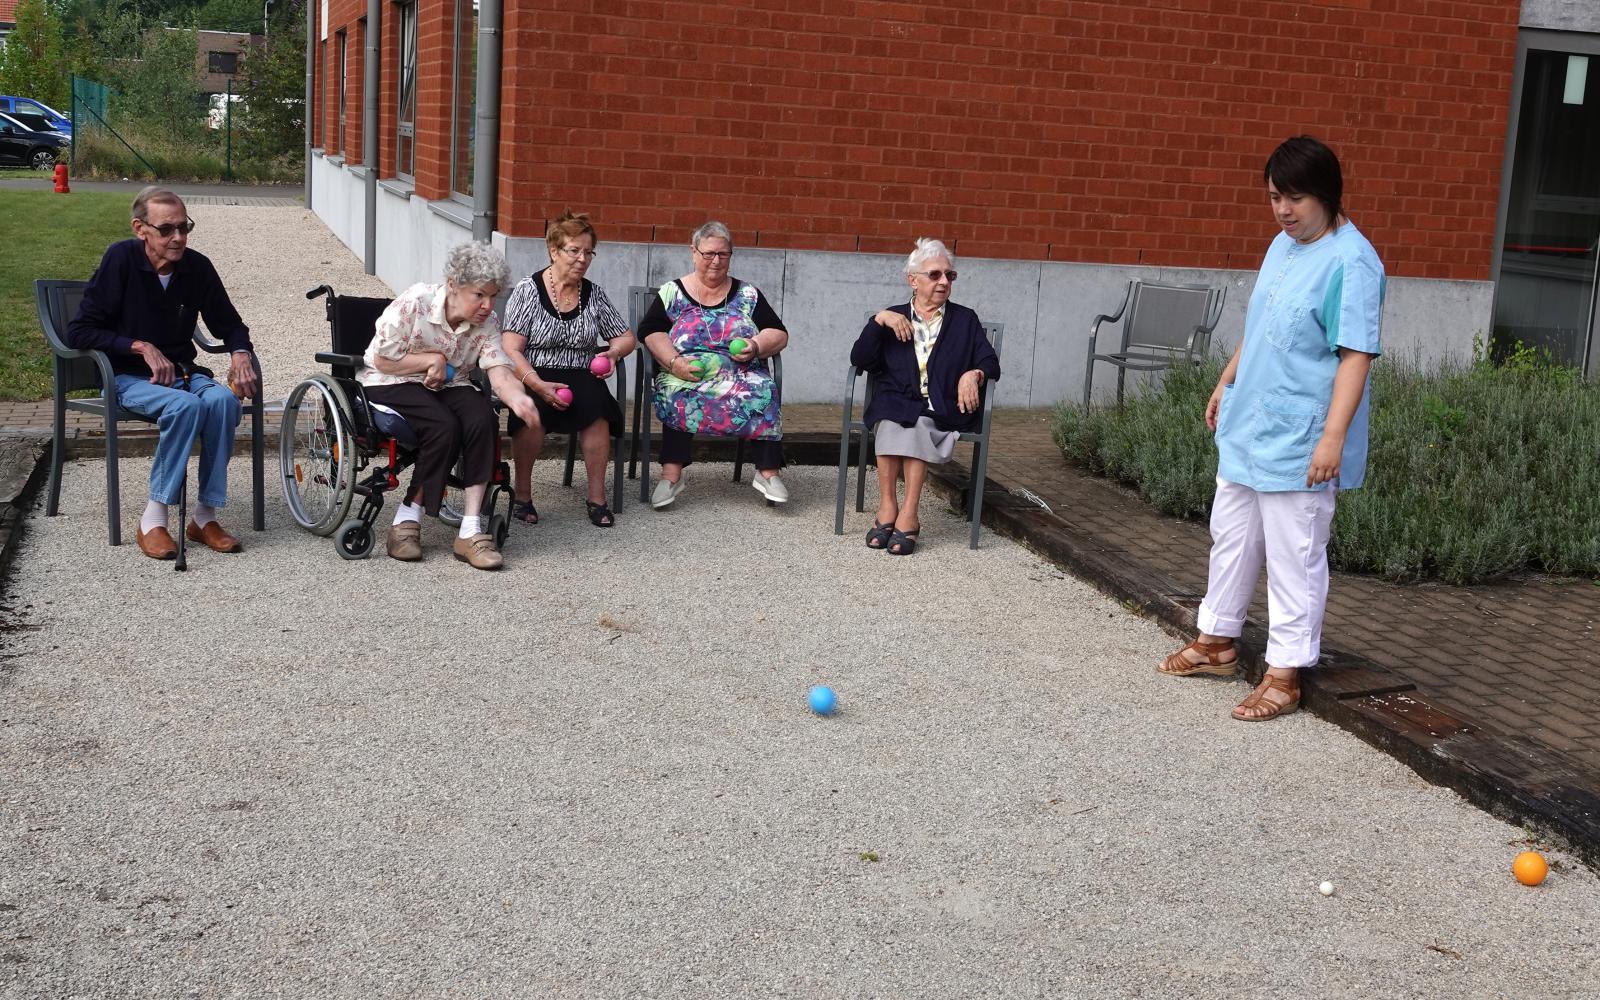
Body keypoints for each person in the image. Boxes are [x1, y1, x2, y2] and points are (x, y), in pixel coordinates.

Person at [1158, 135, 1384, 722]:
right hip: (1252, 419)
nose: (1283, 210)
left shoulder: (1352, 261)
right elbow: (1259, 325)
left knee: (1295, 552)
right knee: (1231, 534)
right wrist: (1226, 380)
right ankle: (1217, 640)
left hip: (1303, 432)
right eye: (1275, 198)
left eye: (1296, 198)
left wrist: (1332, 437)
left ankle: (1285, 673)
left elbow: (1355, 354)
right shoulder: (1282, 247)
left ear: (1328, 196)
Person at [67, 186, 259, 560]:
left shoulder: (196, 267)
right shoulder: (121, 259)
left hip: (185, 374)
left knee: (221, 401)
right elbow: (79, 331)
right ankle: (153, 520)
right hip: (126, 378)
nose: (178, 238)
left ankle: (204, 517)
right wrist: (138, 345)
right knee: (185, 407)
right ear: (141, 228)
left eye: (184, 227)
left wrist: (240, 352)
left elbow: (230, 323)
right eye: (167, 229)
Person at [359, 242, 538, 570]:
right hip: (391, 382)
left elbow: (498, 369)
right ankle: (405, 520)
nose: (487, 305)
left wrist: (518, 398)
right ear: (453, 285)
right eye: (479, 295)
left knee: (483, 416)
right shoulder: (417, 302)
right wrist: (432, 358)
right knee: (443, 425)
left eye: (493, 295)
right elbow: (381, 359)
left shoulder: (487, 323)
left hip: (450, 385)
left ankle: (470, 530)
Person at [849, 238, 1000, 555]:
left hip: (942, 407)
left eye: (950, 275)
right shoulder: (893, 318)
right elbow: (860, 360)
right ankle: (888, 506)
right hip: (896, 401)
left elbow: (989, 360)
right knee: (892, 422)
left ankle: (910, 514)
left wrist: (973, 374)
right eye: (935, 275)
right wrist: (878, 320)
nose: (944, 282)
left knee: (916, 423)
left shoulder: (964, 320)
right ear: (912, 280)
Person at [637, 221, 788, 508]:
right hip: (685, 369)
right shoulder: (673, 292)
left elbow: (778, 333)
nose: (716, 260)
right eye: (708, 254)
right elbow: (650, 331)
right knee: (676, 391)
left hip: (740, 372)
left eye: (723, 254)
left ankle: (768, 472)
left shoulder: (748, 294)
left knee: (763, 388)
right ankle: (671, 475)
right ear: (694, 252)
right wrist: (674, 362)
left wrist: (755, 346)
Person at [500, 212, 636, 527]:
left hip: (581, 371)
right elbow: (511, 348)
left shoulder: (594, 293)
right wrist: (534, 383)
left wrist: (613, 354)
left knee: (598, 409)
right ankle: (522, 496)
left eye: (588, 252)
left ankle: (596, 498)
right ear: (554, 250)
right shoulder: (528, 290)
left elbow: (625, 337)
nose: (582, 259)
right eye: (574, 250)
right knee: (530, 412)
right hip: (536, 372)